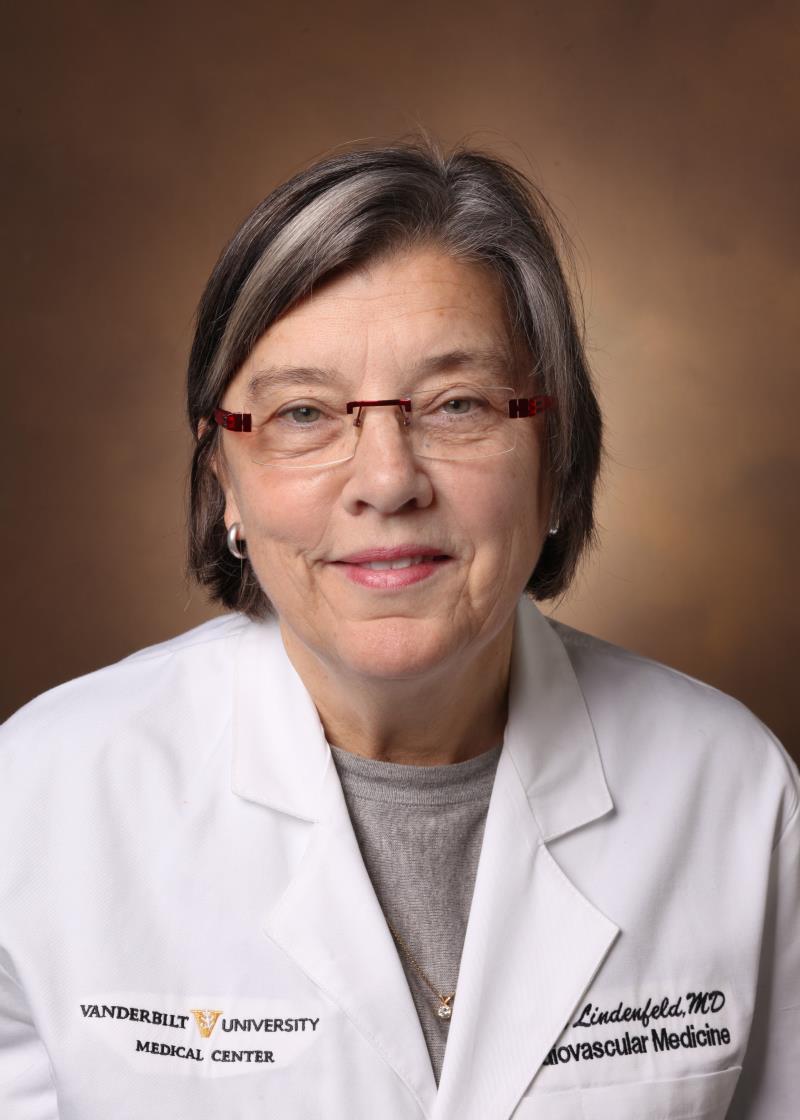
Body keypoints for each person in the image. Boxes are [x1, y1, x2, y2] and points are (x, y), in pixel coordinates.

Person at [0, 137, 796, 1120]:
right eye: (304, 414)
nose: (386, 481)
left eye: (456, 404)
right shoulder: (40, 800)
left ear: (553, 458)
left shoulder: (734, 791)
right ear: (224, 482)